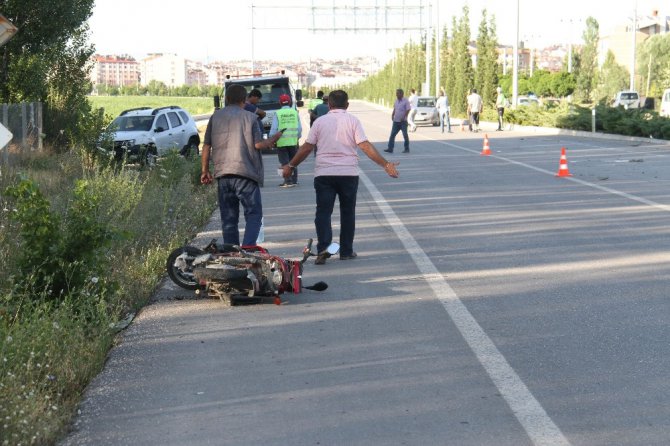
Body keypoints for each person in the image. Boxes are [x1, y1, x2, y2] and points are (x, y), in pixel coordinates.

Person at [280, 90, 400, 264]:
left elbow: (306, 147)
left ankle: (323, 248)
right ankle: (346, 251)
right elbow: (364, 145)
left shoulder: (320, 122)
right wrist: (385, 164)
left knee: (323, 212)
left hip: (324, 174)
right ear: (347, 105)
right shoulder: (353, 121)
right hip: (348, 175)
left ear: (329, 105)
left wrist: (291, 166)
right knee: (347, 212)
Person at [200, 84, 283, 247]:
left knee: (229, 218)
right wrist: (273, 139)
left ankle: (232, 254)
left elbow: (206, 146)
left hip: (223, 175)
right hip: (246, 173)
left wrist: (204, 170)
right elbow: (258, 145)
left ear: (227, 99)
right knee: (253, 214)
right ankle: (248, 250)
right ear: (244, 100)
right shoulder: (250, 118)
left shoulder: (215, 117)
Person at [270, 94, 302, 187]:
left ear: (280, 102)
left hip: (281, 142)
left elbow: (274, 129)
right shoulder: (295, 112)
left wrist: (272, 140)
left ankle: (288, 181)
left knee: (284, 162)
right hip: (293, 141)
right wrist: (297, 138)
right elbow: (299, 128)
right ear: (290, 102)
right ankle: (294, 180)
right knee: (294, 161)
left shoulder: (278, 113)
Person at [384, 88, 411, 154]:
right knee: (392, 135)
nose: (396, 95)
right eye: (396, 93)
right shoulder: (396, 101)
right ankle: (390, 148)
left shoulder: (406, 101)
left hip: (403, 122)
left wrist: (404, 116)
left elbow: (408, 109)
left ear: (402, 94)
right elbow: (395, 108)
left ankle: (406, 149)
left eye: (398, 93)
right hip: (396, 121)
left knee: (405, 135)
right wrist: (392, 114)